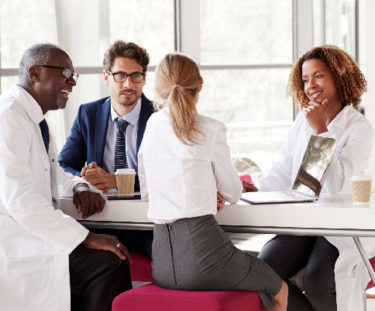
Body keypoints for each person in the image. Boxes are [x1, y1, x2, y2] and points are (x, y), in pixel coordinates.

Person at [138, 53, 288, 311]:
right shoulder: (210, 128)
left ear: (159, 91)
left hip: (162, 263)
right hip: (204, 257)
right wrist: (210, 193)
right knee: (279, 289)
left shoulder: (151, 125)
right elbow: (232, 192)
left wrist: (203, 193)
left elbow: (148, 192)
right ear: (200, 86)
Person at [0, 43, 132, 311]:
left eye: (73, 74)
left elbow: (53, 171)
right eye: (64, 72)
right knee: (109, 262)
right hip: (14, 240)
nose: (71, 81)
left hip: (35, 232)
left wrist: (79, 186)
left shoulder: (34, 119)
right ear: (34, 73)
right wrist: (85, 236)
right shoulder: (9, 117)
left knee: (110, 258)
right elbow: (19, 199)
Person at [244, 45, 374, 311]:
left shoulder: (359, 128)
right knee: (263, 273)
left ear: (339, 76)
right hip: (303, 220)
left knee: (319, 280)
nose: (310, 85)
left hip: (340, 227)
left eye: (318, 76)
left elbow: (337, 184)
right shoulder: (303, 122)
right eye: (305, 79)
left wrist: (321, 131)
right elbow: (282, 169)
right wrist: (257, 190)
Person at [58, 40, 154, 257]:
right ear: (106, 77)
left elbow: (171, 174)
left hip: (149, 222)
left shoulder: (160, 118)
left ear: (144, 79)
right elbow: (64, 164)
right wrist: (84, 180)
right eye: (120, 75)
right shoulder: (88, 114)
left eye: (135, 76)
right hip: (101, 220)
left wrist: (117, 181)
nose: (128, 84)